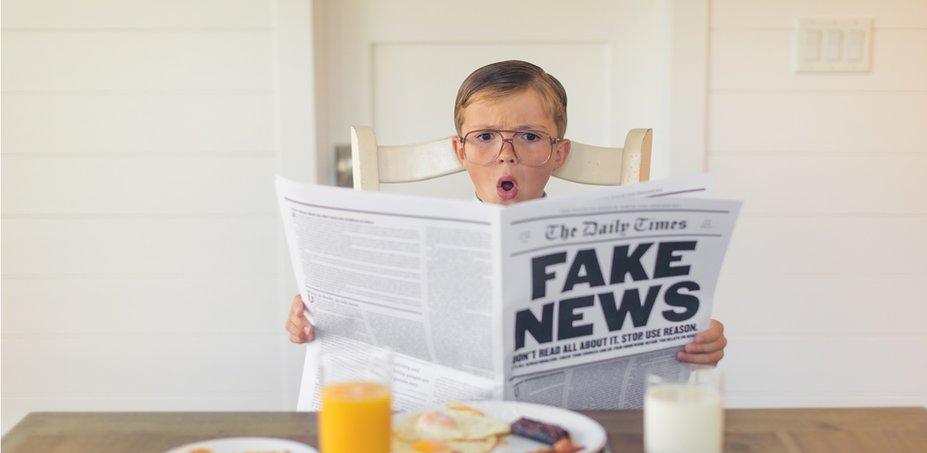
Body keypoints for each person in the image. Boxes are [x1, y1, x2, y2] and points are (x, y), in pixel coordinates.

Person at [285, 60, 726, 365]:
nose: (506, 155)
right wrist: (319, 320)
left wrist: (694, 340)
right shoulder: (406, 246)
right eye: (485, 136)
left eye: (530, 136)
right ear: (460, 151)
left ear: (559, 153)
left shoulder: (613, 247)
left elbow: (650, 337)